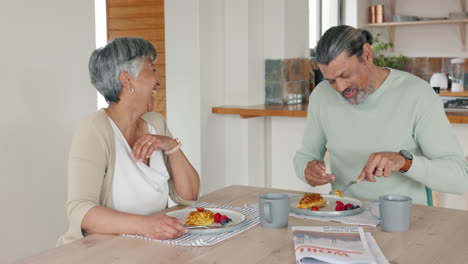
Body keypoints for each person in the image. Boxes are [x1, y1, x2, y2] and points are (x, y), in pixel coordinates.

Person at [294, 25, 468, 205]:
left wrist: (404, 162)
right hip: (345, 216)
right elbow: (305, 156)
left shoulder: (417, 94)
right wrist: (307, 169)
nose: (340, 88)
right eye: (330, 80)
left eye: (345, 75)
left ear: (367, 55)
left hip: (408, 219)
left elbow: (460, 179)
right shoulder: (322, 96)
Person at [57, 37, 200, 245]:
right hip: (101, 253)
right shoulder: (95, 129)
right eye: (151, 70)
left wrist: (171, 145)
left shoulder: (155, 123)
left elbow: (190, 195)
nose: (158, 81)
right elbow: (81, 212)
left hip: (149, 249)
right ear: (127, 80)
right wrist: (145, 225)